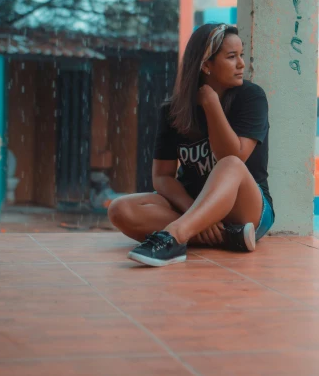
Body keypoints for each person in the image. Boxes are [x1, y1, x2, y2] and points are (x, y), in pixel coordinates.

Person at [108, 23, 275, 267]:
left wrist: (211, 102)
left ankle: (174, 238)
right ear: (206, 64)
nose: (241, 64)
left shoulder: (251, 97)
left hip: (247, 208)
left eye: (241, 55)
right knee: (120, 209)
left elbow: (233, 155)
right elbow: (162, 177)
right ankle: (227, 237)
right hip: (193, 203)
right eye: (231, 57)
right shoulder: (173, 110)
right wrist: (193, 210)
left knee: (230, 165)